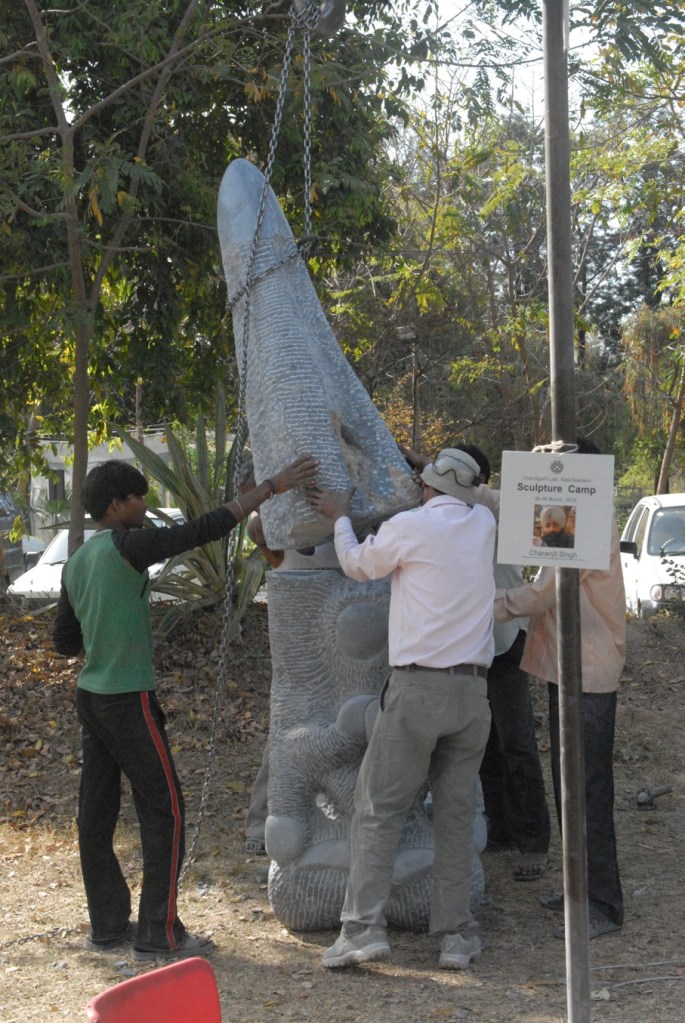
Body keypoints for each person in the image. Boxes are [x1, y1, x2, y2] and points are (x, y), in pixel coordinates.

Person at [53, 454, 317, 960]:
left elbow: (64, 643)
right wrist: (268, 488)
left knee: (96, 814)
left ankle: (108, 926)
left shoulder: (78, 561)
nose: (144, 503)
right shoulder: (128, 546)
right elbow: (201, 530)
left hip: (92, 698)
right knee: (166, 810)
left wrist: (106, 627)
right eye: (137, 497)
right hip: (128, 698)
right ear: (116, 505)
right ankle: (160, 933)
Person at [308, 448, 495, 971]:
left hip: (417, 689)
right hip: (472, 692)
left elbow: (357, 564)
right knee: (455, 818)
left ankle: (362, 929)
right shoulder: (484, 523)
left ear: (426, 487)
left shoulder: (410, 526)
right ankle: (457, 936)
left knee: (378, 810)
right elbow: (480, 497)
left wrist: (340, 516)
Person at [494, 437, 626, 939]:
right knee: (569, 784)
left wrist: (478, 605)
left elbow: (540, 594)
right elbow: (512, 502)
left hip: (587, 672)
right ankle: (577, 893)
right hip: (567, 667)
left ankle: (603, 904)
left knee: (587, 789)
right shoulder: (570, 515)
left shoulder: (587, 522)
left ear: (582, 478)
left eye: (559, 470)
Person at [457, 445, 551, 882]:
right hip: (470, 643)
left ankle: (535, 841)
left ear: (478, 480)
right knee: (483, 742)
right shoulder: (451, 516)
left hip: (506, 638)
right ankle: (502, 829)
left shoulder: (497, 510)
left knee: (517, 743)